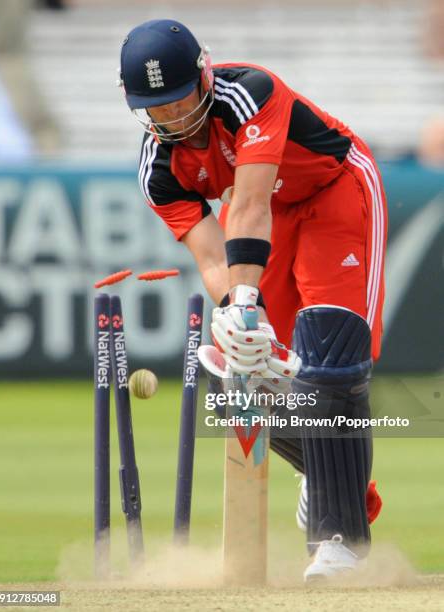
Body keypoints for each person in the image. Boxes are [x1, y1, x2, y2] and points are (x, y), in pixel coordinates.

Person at [119, 19, 386, 581]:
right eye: (156, 107)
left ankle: (338, 542)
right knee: (247, 374)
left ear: (203, 74)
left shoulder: (251, 92)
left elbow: (250, 203)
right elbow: (214, 258)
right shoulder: (159, 171)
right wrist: (241, 319)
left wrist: (243, 299)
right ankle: (328, 476)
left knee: (330, 357)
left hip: (336, 191)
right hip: (267, 230)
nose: (171, 116)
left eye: (178, 99)